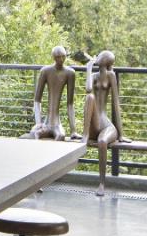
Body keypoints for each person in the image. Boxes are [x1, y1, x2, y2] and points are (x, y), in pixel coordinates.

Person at [83, 50, 125, 195]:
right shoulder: (93, 76)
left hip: (106, 125)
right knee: (90, 98)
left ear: (106, 61)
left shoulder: (111, 75)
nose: (98, 57)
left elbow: (116, 104)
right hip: (94, 124)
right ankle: (85, 135)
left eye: (101, 56)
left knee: (102, 142)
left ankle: (102, 183)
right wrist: (88, 69)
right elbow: (88, 89)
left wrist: (121, 134)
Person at [25, 46, 77, 140]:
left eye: (63, 56)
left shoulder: (70, 73)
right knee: (34, 133)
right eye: (58, 57)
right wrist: (38, 123)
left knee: (60, 136)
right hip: (46, 123)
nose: (61, 59)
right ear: (53, 57)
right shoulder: (45, 71)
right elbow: (37, 100)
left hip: (57, 124)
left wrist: (73, 131)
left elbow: (70, 104)